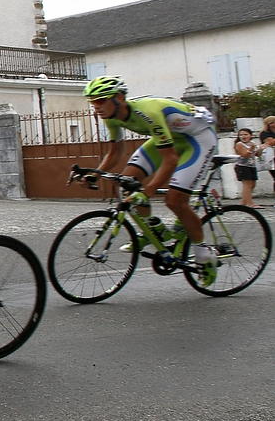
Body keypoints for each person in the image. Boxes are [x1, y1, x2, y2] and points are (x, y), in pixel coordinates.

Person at [78, 76, 220, 281]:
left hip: (198, 139)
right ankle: (155, 230)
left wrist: (149, 190)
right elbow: (115, 152)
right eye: (92, 102)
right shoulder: (111, 117)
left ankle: (204, 254)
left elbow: (169, 160)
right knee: (126, 183)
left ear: (119, 98)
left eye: (100, 100)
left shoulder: (148, 113)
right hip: (172, 138)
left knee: (175, 200)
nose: (96, 107)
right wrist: (94, 174)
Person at [233, 128, 263, 209]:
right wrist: (252, 148)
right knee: (247, 185)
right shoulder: (239, 144)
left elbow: (257, 155)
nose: (243, 136)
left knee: (253, 184)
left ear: (250, 135)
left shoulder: (252, 143)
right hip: (242, 166)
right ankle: (250, 203)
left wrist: (260, 149)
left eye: (245, 134)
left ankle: (244, 202)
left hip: (251, 166)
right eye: (241, 135)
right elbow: (245, 155)